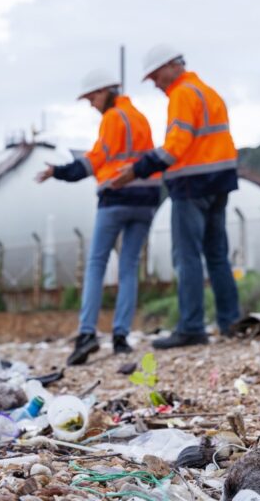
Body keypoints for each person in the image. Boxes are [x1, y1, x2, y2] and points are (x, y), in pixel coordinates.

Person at [112, 45, 240, 349]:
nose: (155, 83)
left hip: (192, 185)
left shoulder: (182, 95)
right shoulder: (208, 92)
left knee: (187, 257)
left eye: (156, 76)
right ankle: (231, 322)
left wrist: (137, 170)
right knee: (217, 255)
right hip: (220, 181)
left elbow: (173, 148)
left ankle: (192, 327)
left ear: (172, 66)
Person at [36, 69, 160, 365]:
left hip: (115, 198)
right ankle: (121, 337)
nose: (91, 104)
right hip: (147, 200)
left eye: (92, 97)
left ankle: (87, 334)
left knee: (96, 264)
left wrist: (60, 172)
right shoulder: (140, 118)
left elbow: (94, 162)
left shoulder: (112, 119)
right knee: (129, 267)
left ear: (106, 92)